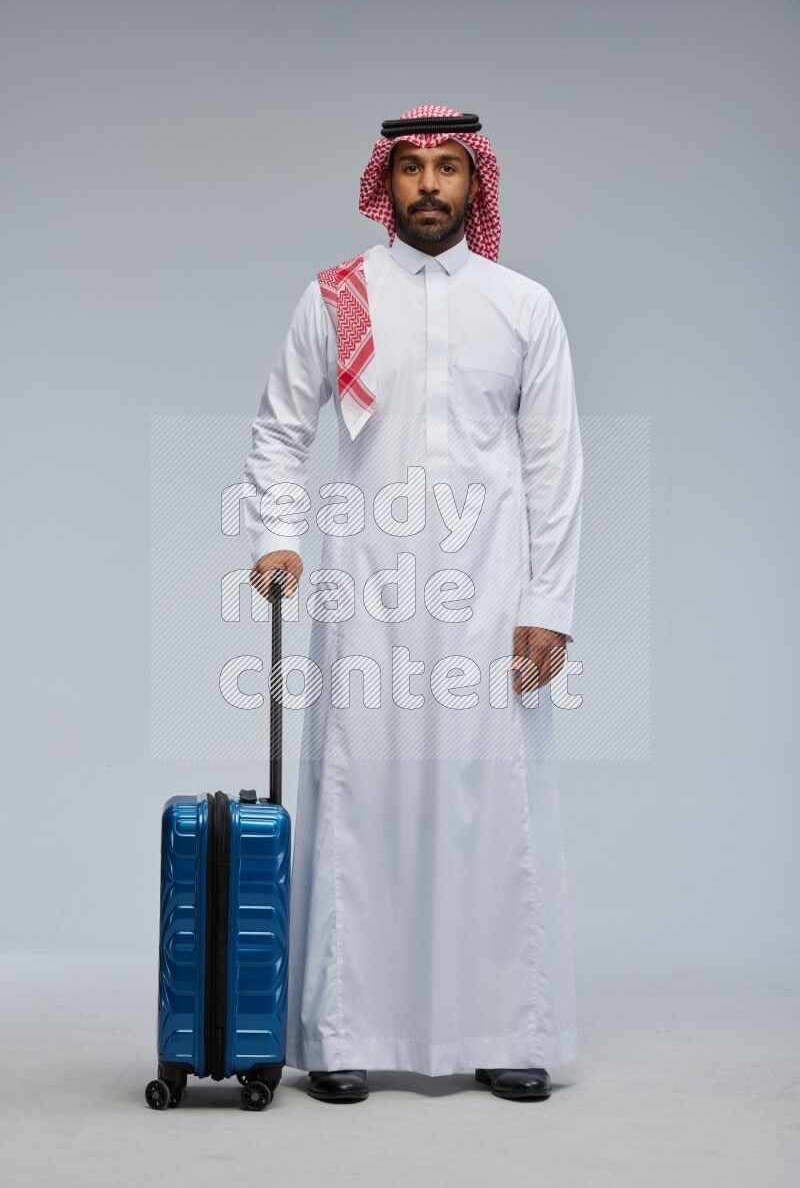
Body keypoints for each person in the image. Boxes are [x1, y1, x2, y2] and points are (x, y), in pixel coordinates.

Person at [242, 104, 583, 1103]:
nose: (429, 186)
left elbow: (553, 463)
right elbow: (277, 429)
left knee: (495, 809)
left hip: (488, 596)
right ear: (382, 184)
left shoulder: (524, 306)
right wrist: (275, 532)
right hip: (365, 592)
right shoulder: (337, 298)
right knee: (360, 800)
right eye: (411, 169)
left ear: (474, 185)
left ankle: (504, 1027)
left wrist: (548, 602)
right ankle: (341, 1027)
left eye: (447, 169)